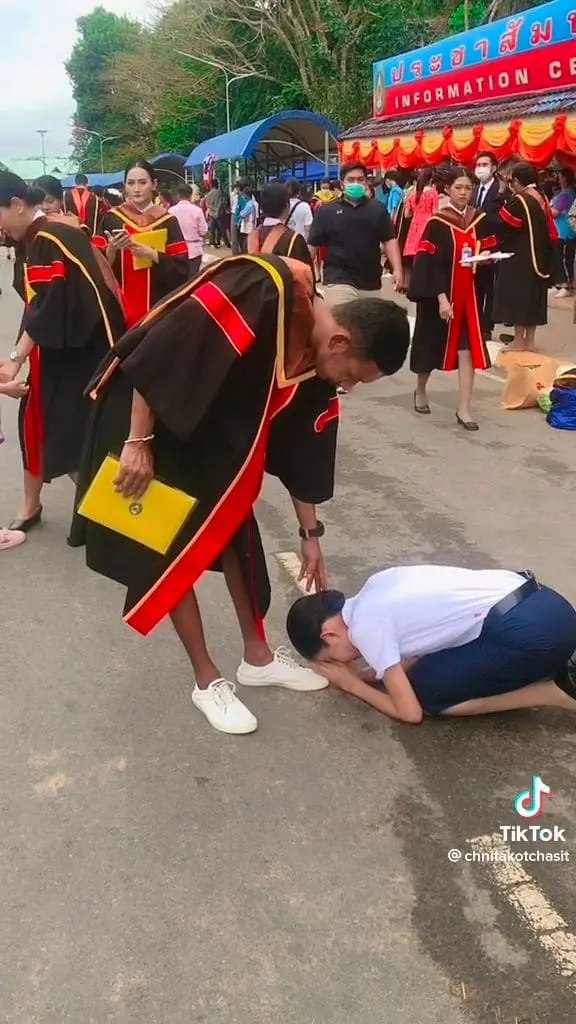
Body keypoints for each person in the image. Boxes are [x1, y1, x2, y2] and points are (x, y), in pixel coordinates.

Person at [68, 254, 410, 735]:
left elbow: (302, 450)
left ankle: (258, 658)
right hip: (142, 422)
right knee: (166, 548)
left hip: (204, 435)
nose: (347, 385)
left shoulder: (317, 359)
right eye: (353, 374)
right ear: (340, 340)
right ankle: (206, 681)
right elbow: (160, 355)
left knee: (234, 530)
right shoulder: (262, 288)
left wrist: (310, 534)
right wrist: (138, 442)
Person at [286, 565, 576, 724]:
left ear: (329, 635)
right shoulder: (374, 588)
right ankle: (553, 663)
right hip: (550, 607)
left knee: (430, 696)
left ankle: (556, 692)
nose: (350, 661)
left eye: (336, 659)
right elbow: (412, 655)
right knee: (421, 672)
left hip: (533, 634)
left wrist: (353, 686)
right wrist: (364, 675)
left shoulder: (365, 628)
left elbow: (409, 713)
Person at [0, 171, 126, 533]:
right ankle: (84, 513)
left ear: (18, 205)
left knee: (70, 434)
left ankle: (115, 516)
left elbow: (48, 306)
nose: (1, 230)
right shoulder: (54, 232)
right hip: (79, 346)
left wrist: (16, 357)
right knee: (57, 428)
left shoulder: (46, 239)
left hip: (77, 353)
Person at [408, 167, 495, 431]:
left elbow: (488, 247)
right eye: (458, 187)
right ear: (447, 189)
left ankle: (464, 409)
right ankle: (420, 389)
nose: (463, 192)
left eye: (468, 188)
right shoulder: (437, 223)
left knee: (466, 350)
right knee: (431, 347)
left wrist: (488, 258)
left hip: (469, 298)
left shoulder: (479, 219)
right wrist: (442, 299)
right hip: (440, 298)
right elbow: (429, 264)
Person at [95, 159, 189, 328]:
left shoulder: (167, 221)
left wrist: (152, 254)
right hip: (120, 308)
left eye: (142, 182)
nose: (136, 189)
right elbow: (95, 266)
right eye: (131, 183)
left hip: (157, 308)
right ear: (124, 186)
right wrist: (111, 250)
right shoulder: (112, 218)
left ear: (153, 185)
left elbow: (182, 269)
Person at [309, 161, 403, 306]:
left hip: (370, 280)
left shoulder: (377, 210)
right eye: (351, 180)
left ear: (366, 182)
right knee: (344, 324)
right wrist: (304, 276)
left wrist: (397, 269)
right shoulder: (326, 211)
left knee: (366, 327)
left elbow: (389, 239)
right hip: (338, 279)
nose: (356, 183)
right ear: (342, 184)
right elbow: (312, 245)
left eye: (360, 180)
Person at [494, 161, 555, 352]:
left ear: (517, 181)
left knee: (518, 297)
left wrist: (502, 192)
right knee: (532, 298)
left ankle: (519, 340)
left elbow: (503, 223)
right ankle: (530, 340)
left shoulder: (520, 199)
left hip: (521, 256)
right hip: (539, 254)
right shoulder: (541, 195)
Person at [470, 151, 506, 341]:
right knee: (475, 286)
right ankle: (474, 322)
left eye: (484, 164)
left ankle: (486, 326)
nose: (480, 168)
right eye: (478, 165)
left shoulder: (501, 192)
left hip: (493, 246)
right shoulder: (474, 190)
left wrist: (491, 248)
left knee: (490, 288)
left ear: (493, 168)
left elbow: (502, 221)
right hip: (474, 245)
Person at [170, 183, 207, 278]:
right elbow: (203, 231)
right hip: (194, 250)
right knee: (193, 281)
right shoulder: (197, 210)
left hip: (177, 251)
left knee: (179, 281)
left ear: (178, 195)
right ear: (190, 196)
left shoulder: (170, 211)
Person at [550, 168, 576, 298]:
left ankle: (567, 285)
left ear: (565, 178)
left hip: (566, 233)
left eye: (559, 176)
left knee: (566, 260)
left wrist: (545, 210)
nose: (558, 178)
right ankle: (560, 283)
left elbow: (555, 212)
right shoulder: (560, 193)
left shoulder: (567, 194)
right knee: (558, 258)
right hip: (558, 232)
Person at [237, 187, 258, 253]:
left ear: (246, 195)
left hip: (248, 227)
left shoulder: (249, 205)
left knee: (246, 243)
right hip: (251, 225)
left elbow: (242, 214)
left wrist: (240, 212)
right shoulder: (253, 203)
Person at [205, 179, 223, 247]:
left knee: (212, 229)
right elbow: (220, 203)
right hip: (219, 213)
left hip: (212, 214)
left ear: (211, 185)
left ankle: (212, 241)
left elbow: (208, 205)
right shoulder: (219, 192)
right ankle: (218, 241)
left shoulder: (208, 194)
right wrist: (217, 211)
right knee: (219, 229)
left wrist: (213, 211)